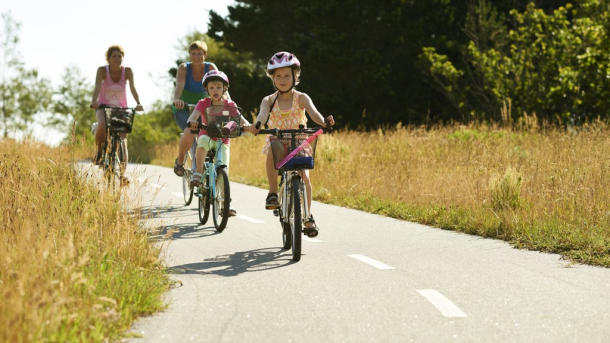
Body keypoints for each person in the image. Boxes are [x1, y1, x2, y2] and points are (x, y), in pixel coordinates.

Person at [252, 52, 335, 238]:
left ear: (295, 77)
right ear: (272, 78)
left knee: (305, 177)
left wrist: (323, 123)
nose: (282, 79)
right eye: (278, 76)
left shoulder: (302, 98)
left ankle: (307, 216)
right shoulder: (269, 100)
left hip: (299, 142)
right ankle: (273, 193)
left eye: (287, 75)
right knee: (273, 149)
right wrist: (258, 125)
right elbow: (262, 115)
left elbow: (314, 114)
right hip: (279, 143)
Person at [184, 70, 251, 216]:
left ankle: (223, 205)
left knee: (223, 171)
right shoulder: (203, 103)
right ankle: (198, 171)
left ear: (224, 88)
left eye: (218, 87)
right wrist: (192, 122)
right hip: (207, 138)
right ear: (207, 89)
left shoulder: (230, 104)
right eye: (212, 87)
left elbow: (241, 119)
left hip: (223, 140)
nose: (215, 90)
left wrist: (248, 126)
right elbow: (193, 117)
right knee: (201, 140)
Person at [91, 45, 143, 184]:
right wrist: (94, 101)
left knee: (123, 139)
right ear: (108, 58)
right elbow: (97, 86)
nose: (117, 59)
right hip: (104, 107)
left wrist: (138, 102)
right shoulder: (102, 70)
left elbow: (132, 87)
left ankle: (122, 175)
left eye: (119, 56)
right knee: (102, 125)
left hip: (121, 109)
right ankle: (99, 154)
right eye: (114, 56)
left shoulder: (127, 72)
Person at [172, 40, 218, 177]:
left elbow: (221, 86)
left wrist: (228, 101)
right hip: (184, 108)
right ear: (189, 55)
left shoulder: (210, 68)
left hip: (204, 108)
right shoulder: (184, 68)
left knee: (214, 132)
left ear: (205, 54)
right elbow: (179, 85)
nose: (196, 57)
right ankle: (179, 161)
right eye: (193, 54)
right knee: (190, 130)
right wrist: (177, 100)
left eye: (199, 54)